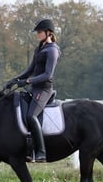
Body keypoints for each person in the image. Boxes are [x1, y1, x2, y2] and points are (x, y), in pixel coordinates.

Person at [5, 18, 61, 162]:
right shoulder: (39, 49)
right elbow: (30, 70)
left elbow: (48, 75)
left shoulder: (52, 50)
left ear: (48, 33)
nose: (37, 34)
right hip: (34, 88)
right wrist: (15, 80)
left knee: (31, 116)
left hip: (44, 90)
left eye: (40, 32)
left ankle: (41, 152)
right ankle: (26, 149)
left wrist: (28, 81)